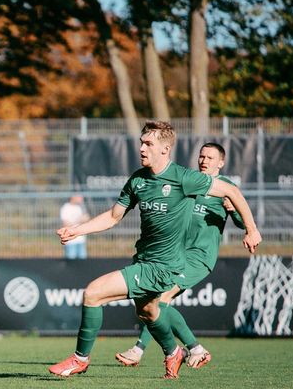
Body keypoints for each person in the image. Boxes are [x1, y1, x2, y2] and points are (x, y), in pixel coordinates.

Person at [48, 121, 261, 379]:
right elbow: (114, 217)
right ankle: (174, 353)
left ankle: (79, 359)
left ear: (165, 149)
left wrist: (251, 229)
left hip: (162, 267)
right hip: (144, 259)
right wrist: (77, 230)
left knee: (93, 294)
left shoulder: (184, 178)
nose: (142, 148)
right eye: (141, 142)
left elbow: (231, 191)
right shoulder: (138, 179)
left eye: (148, 143)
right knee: (148, 311)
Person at [114, 142, 246, 369]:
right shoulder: (191, 182)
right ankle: (194, 349)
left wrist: (233, 211)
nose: (204, 161)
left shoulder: (225, 187)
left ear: (221, 163)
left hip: (199, 257)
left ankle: (140, 350)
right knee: (154, 301)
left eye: (210, 158)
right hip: (176, 255)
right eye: (202, 156)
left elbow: (244, 223)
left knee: (161, 298)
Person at [60, 195, 90, 259]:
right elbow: (66, 224)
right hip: (71, 241)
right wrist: (79, 220)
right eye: (79, 196)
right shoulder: (66, 208)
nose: (81, 198)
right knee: (71, 262)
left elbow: (84, 221)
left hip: (81, 239)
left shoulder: (79, 207)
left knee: (82, 262)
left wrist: (86, 219)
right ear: (72, 197)